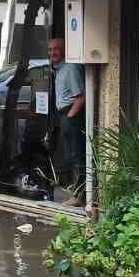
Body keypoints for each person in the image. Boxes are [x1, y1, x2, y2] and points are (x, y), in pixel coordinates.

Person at [48, 37, 86, 204]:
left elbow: (81, 97)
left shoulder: (70, 68)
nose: (52, 53)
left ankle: (80, 196)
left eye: (56, 49)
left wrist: (70, 116)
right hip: (63, 115)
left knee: (77, 155)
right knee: (70, 156)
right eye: (50, 50)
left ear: (64, 50)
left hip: (71, 115)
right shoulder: (59, 69)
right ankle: (75, 193)